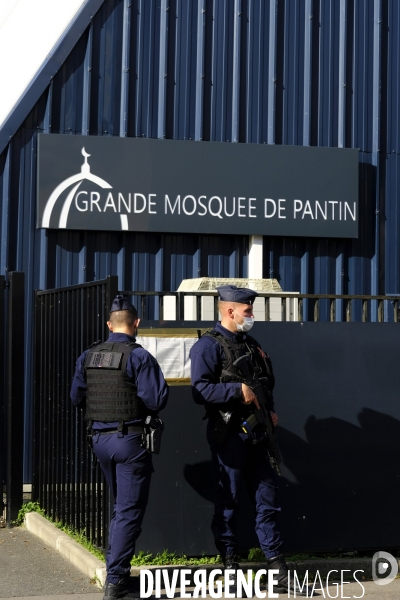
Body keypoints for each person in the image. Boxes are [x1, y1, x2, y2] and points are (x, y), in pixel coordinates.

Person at [190, 285, 305, 596]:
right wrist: (235, 391)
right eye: (247, 311)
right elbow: (200, 390)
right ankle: (229, 565)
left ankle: (277, 566)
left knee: (267, 500)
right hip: (229, 434)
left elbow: (265, 383)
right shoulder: (207, 347)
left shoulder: (251, 345)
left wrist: (271, 411)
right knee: (228, 500)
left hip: (258, 433)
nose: (251, 315)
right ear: (230, 311)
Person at [71, 295, 169, 600]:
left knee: (120, 508)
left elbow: (76, 398)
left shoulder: (88, 355)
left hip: (100, 440)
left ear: (109, 324)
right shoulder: (139, 357)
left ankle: (118, 573)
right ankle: (116, 583)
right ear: (136, 323)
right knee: (128, 510)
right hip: (129, 441)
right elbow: (157, 400)